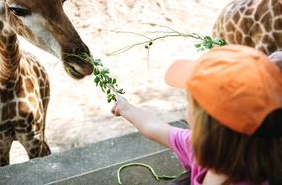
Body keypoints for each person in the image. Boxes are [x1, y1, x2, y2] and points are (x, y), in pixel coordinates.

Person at [111, 45, 282, 185]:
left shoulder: (196, 147)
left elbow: (156, 128)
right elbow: (154, 127)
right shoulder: (199, 145)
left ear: (206, 124)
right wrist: (126, 109)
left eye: (190, 104)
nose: (187, 109)